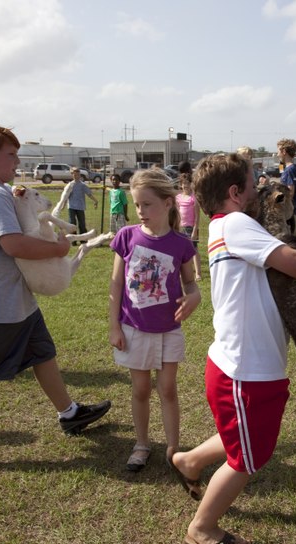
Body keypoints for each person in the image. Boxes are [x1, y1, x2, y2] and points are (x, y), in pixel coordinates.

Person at [168, 153, 296, 544]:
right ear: (235, 193)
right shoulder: (237, 223)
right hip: (244, 370)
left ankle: (188, 462)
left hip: (243, 365)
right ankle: (202, 529)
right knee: (249, 457)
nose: (260, 190)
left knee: (242, 437)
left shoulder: (226, 225)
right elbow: (292, 262)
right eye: (253, 183)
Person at [0, 119, 111, 467]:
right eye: (11, 155)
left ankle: (69, 413)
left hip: (14, 296)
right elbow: (12, 244)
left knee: (41, 351)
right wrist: (59, 250)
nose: (16, 162)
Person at [109, 169, 201, 472]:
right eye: (137, 205)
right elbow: (116, 285)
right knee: (140, 390)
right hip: (133, 328)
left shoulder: (181, 243)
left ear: (168, 203)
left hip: (169, 331)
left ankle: (173, 449)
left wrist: (195, 297)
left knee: (168, 389)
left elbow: (191, 284)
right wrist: (113, 326)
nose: (140, 211)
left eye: (146, 204)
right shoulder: (126, 237)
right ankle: (142, 444)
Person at [52, 167, 98, 239]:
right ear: (72, 175)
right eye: (74, 174)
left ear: (80, 175)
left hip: (80, 207)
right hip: (71, 207)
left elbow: (89, 194)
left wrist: (95, 200)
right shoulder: (70, 185)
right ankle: (73, 239)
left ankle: (83, 238)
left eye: (78, 174)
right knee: (72, 223)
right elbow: (66, 196)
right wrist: (63, 205)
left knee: (82, 223)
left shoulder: (82, 185)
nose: (76, 176)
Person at [175, 174, 202, 281]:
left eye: (188, 183)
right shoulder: (178, 198)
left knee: (194, 250)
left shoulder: (194, 198)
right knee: (182, 251)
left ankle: (198, 273)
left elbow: (197, 217)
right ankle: (183, 272)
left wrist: (195, 230)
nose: (186, 185)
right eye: (183, 183)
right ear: (181, 185)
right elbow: (176, 213)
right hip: (181, 227)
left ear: (192, 184)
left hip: (191, 228)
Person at [276, 138, 296, 236]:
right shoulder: (289, 168)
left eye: (278, 151)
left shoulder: (290, 170)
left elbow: (290, 192)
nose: (277, 154)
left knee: (291, 238)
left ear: (284, 152)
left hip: (290, 211)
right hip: (291, 210)